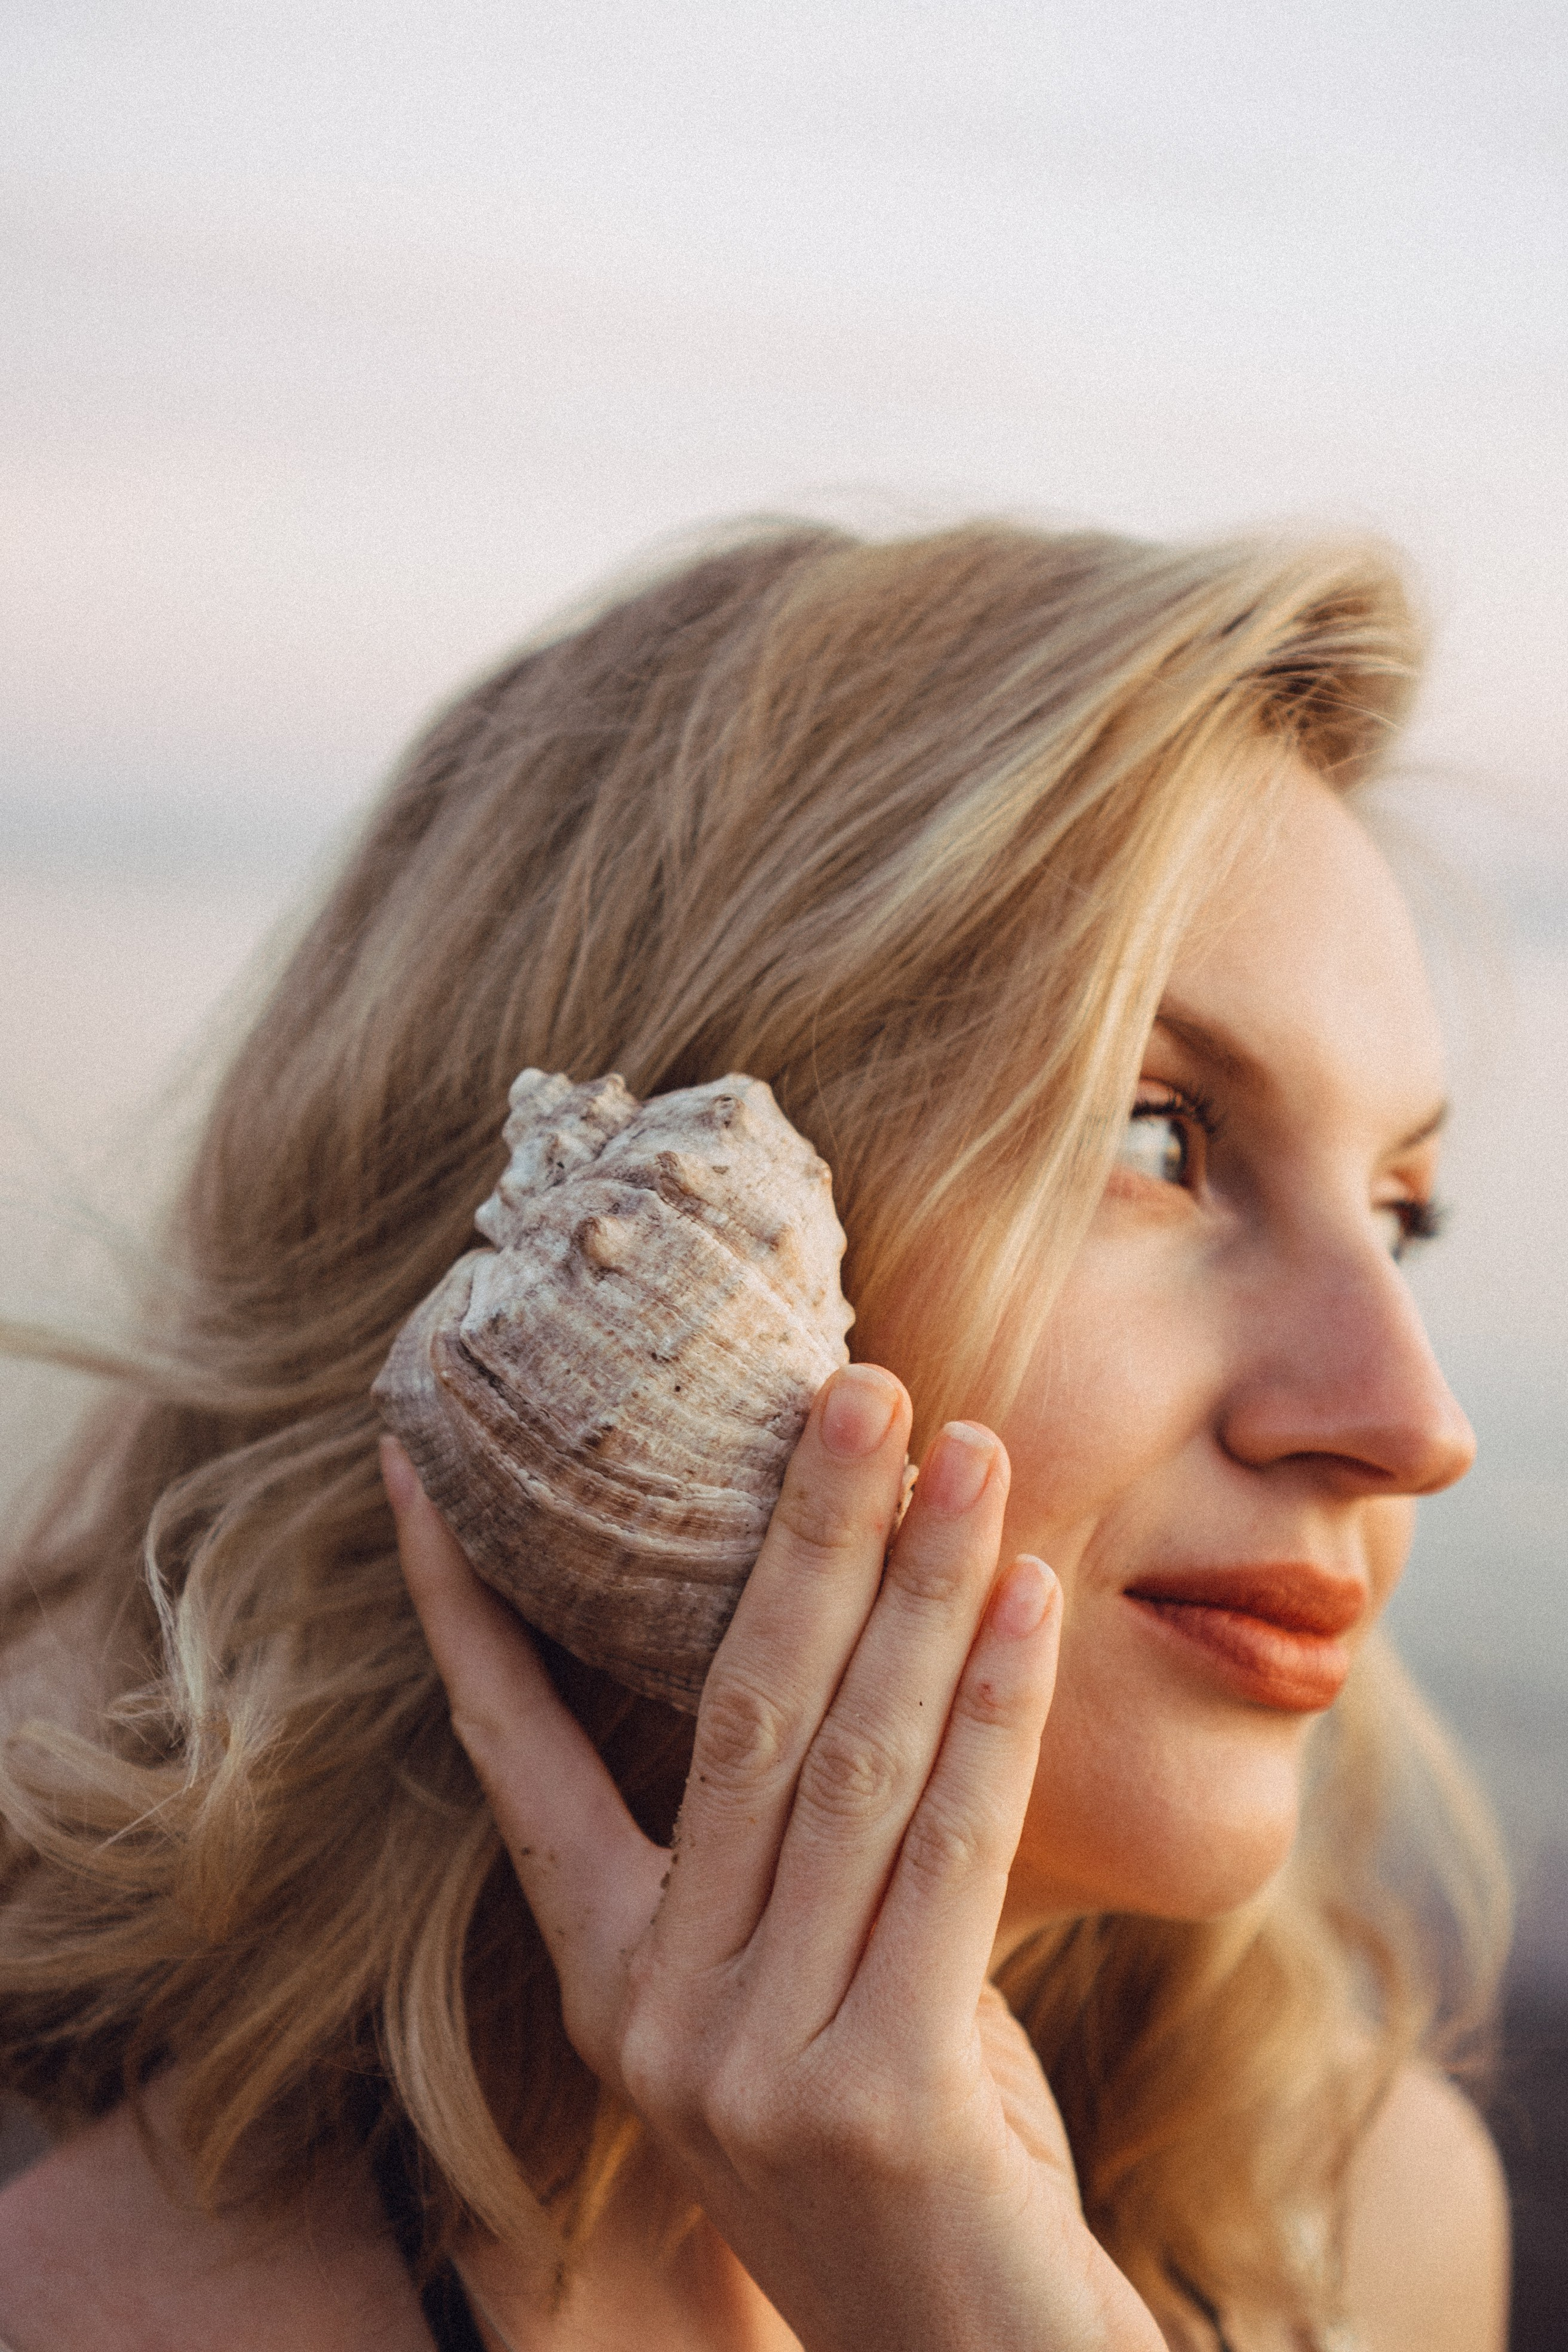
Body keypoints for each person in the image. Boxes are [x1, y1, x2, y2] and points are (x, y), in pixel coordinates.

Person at [0, 520, 1511, 2350]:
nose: (1412, 1424)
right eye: (1155, 1135)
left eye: (1403, 1212)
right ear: (589, 1281)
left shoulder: (1367, 2220)